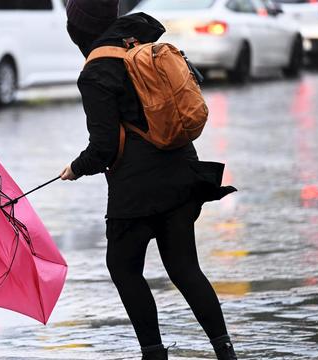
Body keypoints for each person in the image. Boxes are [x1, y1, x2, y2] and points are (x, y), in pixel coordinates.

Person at [59, 1, 239, 359]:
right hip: (183, 173)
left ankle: (153, 353)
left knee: (122, 267)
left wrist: (76, 168)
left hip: (137, 189)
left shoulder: (96, 70)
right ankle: (226, 351)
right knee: (185, 267)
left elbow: (105, 148)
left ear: (77, 26)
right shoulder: (137, 41)